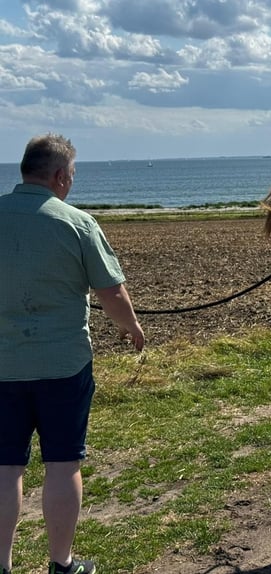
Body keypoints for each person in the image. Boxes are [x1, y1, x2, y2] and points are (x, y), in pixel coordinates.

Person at [0, 134, 145, 574]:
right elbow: (112, 293)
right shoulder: (78, 223)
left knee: (6, 467)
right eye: (73, 176)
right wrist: (132, 328)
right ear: (60, 176)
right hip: (63, 365)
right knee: (63, 463)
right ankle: (61, 564)